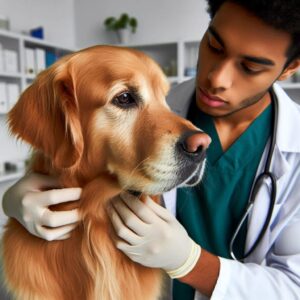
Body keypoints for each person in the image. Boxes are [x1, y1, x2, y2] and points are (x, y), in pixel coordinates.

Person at [2, 0, 300, 299]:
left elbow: (294, 287)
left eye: (249, 67)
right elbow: (80, 164)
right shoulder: (168, 104)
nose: (216, 79)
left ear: (289, 68)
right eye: (214, 46)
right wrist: (13, 202)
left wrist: (190, 263)